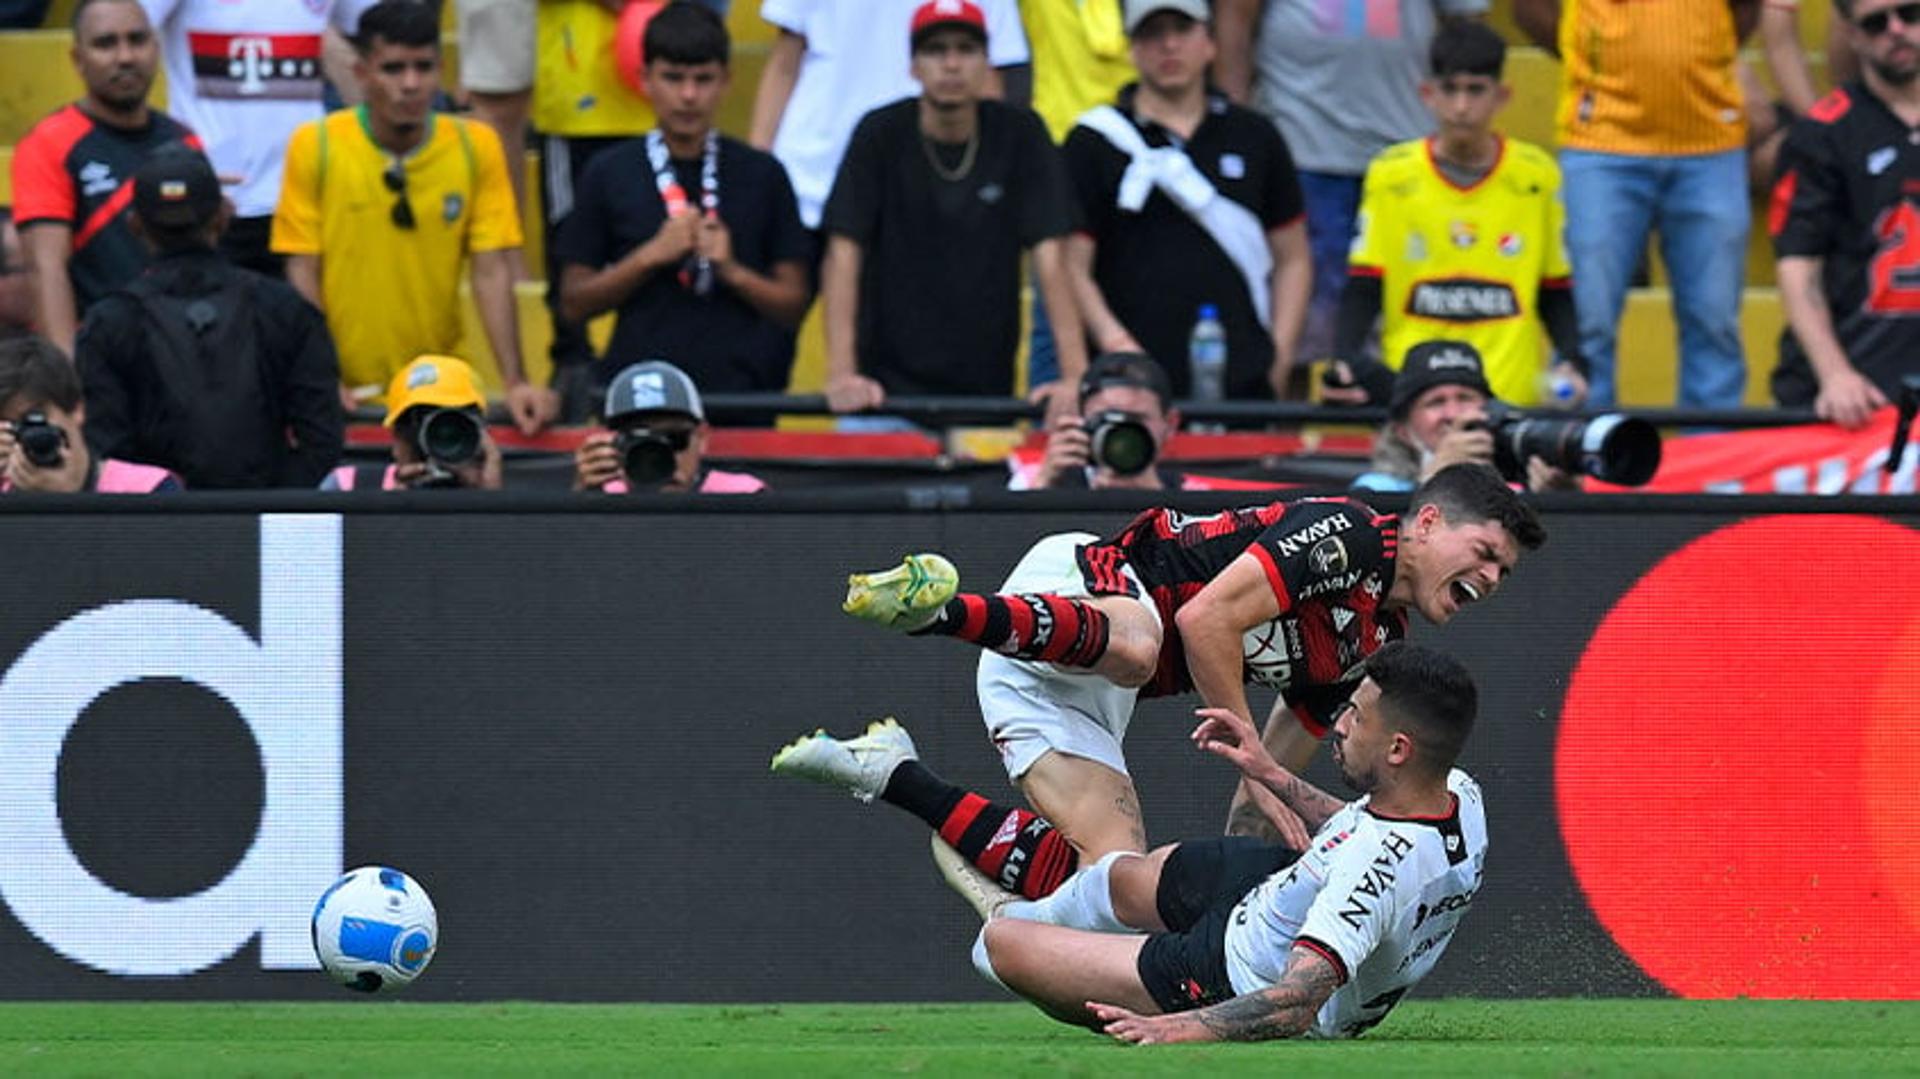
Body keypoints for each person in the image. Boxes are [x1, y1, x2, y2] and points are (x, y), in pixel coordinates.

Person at [777, 462, 1541, 902]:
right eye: (1483, 551)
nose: (1491, 577)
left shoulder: (1375, 644)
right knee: (1145, 645)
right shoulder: (1347, 531)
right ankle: (935, 613)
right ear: (1429, 522)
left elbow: (1265, 778)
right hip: (1094, 589)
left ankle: (893, 774)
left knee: (1118, 883)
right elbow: (1206, 621)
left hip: (1068, 683)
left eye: (1502, 571)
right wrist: (1247, 749)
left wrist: (1257, 883)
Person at [774, 641, 1487, 1041]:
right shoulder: (1456, 793)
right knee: (1118, 875)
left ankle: (1001, 899)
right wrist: (1268, 772)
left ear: (1397, 747)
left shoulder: (1372, 875)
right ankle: (903, 775)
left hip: (1233, 969)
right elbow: (1366, 825)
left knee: (1002, 949)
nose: (1337, 723)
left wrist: (1185, 1030)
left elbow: (1297, 998)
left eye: (1355, 717)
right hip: (1275, 886)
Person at [271, 0, 553, 433]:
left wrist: (514, 381)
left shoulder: (475, 147)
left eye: (423, 68)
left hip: (441, 388)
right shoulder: (317, 146)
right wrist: (320, 373)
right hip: (348, 392)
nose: (410, 84)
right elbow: (303, 268)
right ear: (363, 74)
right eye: (394, 69)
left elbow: (491, 271)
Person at [820, 0, 1086, 421]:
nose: (951, 64)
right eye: (935, 50)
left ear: (987, 63)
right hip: (881, 396)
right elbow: (843, 252)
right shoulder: (879, 135)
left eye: (965, 50)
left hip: (988, 397)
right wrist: (840, 373)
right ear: (912, 66)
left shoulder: (1021, 135)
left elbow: (1051, 256)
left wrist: (1074, 375)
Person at [1212, 0, 1488, 374]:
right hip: (1301, 150)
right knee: (1297, 336)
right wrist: (1232, 124)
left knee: (1415, 331)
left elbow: (1468, 26)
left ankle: (1410, 430)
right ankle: (1283, 430)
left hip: (1409, 159)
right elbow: (1235, 17)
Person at [1323, 22, 1588, 411]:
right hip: (1416, 402)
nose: (1462, 107)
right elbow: (1364, 284)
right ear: (1428, 94)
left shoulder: (1536, 175)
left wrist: (1571, 360)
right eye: (1450, 90)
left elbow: (1555, 289)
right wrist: (1345, 357)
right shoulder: (1391, 174)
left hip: (1507, 401)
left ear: (1502, 96)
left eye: (1475, 90)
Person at [557, 5, 812, 402]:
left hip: (742, 398)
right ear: (645, 79)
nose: (688, 95)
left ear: (726, 81)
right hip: (641, 399)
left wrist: (733, 271)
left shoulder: (763, 174)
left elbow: (793, 303)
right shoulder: (609, 171)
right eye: (673, 78)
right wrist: (648, 257)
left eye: (703, 79)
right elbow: (572, 302)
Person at [1513, 0, 1756, 411]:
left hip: (1711, 143)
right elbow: (1529, 7)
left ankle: (1714, 464)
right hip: (1600, 143)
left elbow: (1747, 8)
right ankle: (1583, 458)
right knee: (1586, 322)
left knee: (1715, 322)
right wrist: (1589, 57)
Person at [1066, 0, 1310, 405]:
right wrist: (1116, 344)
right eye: (1152, 33)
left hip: (1243, 385)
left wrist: (1278, 357)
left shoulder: (1256, 135)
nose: (1169, 45)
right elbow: (1072, 265)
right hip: (1129, 387)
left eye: (1182, 29)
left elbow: (1294, 256)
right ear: (1131, 49)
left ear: (1210, 41)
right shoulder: (1092, 143)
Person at [74, 148, 345, 489]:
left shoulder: (108, 322)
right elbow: (322, 442)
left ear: (134, 225)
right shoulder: (286, 309)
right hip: (267, 524)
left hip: (154, 530)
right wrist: (274, 506)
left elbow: (107, 451)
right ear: (224, 216)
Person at [749, 0, 1032, 243]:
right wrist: (759, 170)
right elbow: (785, 63)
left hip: (921, 191)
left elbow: (988, 81)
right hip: (811, 179)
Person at [10, 0, 201, 357]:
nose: (125, 57)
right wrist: (69, 380)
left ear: (156, 48)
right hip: (102, 356)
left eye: (137, 39)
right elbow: (45, 267)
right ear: (77, 59)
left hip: (182, 355)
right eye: (105, 43)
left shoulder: (185, 142)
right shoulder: (49, 144)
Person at [138, 0, 376, 276]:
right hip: (214, 202)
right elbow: (122, 26)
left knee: (307, 316)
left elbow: (380, 29)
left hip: (304, 197)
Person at [1770, 0, 1920, 430]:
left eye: (1909, 14)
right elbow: (1800, 269)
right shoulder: (1823, 133)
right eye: (1875, 23)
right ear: (1851, 35)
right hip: (1855, 394)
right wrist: (1834, 374)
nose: (1895, 30)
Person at [1349, 340, 1575, 493]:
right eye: (1435, 402)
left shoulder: (1516, 485)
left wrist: (1555, 502)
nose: (1454, 414)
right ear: (1403, 431)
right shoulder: (1376, 489)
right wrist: (1433, 481)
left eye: (1465, 398)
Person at [0, 334, 181, 493]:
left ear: (76, 409)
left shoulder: (148, 489)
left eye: (32, 421)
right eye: (9, 428)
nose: (22, 440)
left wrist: (62, 502)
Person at [573, 359, 766, 494]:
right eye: (640, 439)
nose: (659, 454)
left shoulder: (742, 496)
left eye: (674, 438)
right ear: (615, 445)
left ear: (702, 437)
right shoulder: (604, 496)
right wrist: (583, 502)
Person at [320, 354, 503, 491]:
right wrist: (390, 509)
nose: (434, 443)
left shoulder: (516, 504)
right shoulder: (348, 487)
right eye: (416, 426)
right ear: (396, 436)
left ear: (480, 433)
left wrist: (490, 502)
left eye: (454, 429)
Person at [1010, 351, 1184, 491]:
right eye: (1104, 418)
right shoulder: (1031, 480)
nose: (1120, 432)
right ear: (1079, 419)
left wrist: (1156, 498)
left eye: (1136, 419)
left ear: (1170, 424)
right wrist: (1043, 485)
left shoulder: (1193, 495)